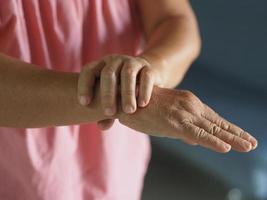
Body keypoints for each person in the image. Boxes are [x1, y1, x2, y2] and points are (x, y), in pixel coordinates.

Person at [0, 0, 257, 199]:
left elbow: (173, 18)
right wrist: (117, 95)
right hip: (17, 168)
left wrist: (148, 72)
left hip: (115, 158)